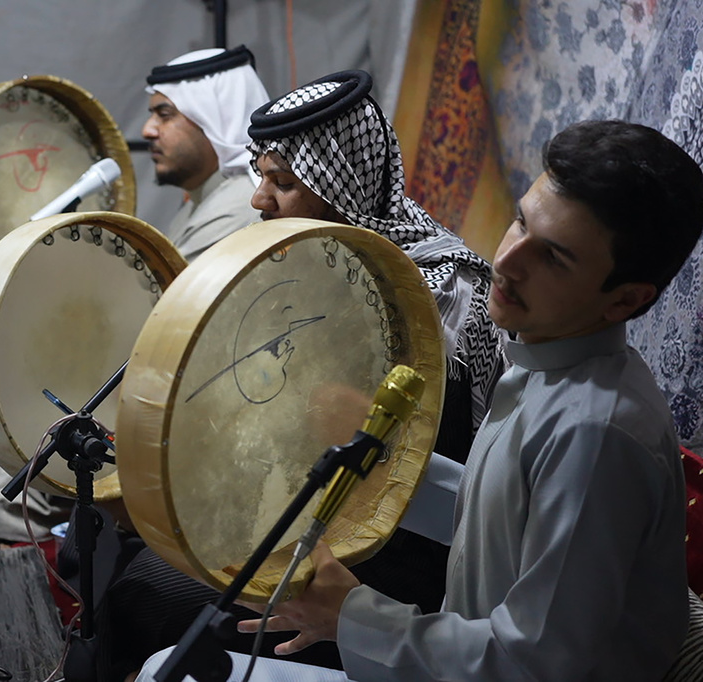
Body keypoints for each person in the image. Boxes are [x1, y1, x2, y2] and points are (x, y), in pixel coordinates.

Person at [136, 118, 699, 681]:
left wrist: (352, 616)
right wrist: (379, 459)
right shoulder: (548, 364)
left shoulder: (595, 434)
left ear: (625, 300)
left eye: (552, 258)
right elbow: (500, 520)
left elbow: (535, 664)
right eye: (519, 223)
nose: (507, 261)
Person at [100, 71, 509, 681]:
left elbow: (425, 484)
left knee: (144, 594)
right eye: (260, 176)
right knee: (124, 551)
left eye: (282, 182)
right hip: (306, 521)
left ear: (344, 189)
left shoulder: (440, 291)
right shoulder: (310, 267)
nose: (259, 199)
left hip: (384, 570)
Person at [142, 44, 270, 261]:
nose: (147, 131)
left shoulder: (243, 206)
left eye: (164, 115)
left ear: (216, 120)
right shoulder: (199, 203)